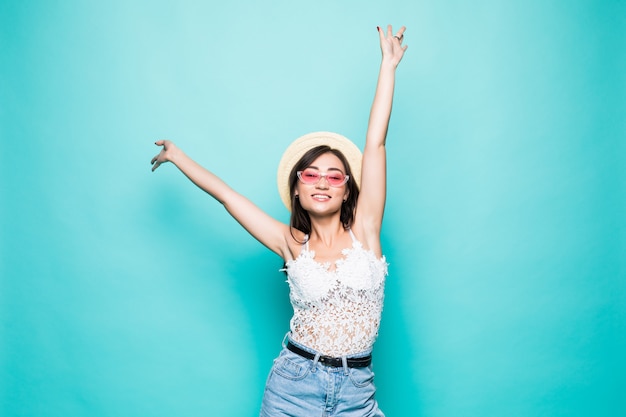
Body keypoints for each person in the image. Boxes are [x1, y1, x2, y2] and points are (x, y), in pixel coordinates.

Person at [151, 24, 407, 417]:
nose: (322, 181)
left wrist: (388, 66)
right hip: (293, 387)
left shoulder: (366, 231)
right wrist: (178, 156)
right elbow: (227, 197)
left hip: (358, 391)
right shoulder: (288, 242)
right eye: (311, 174)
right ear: (298, 188)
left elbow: (375, 143)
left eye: (334, 175)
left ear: (347, 190)